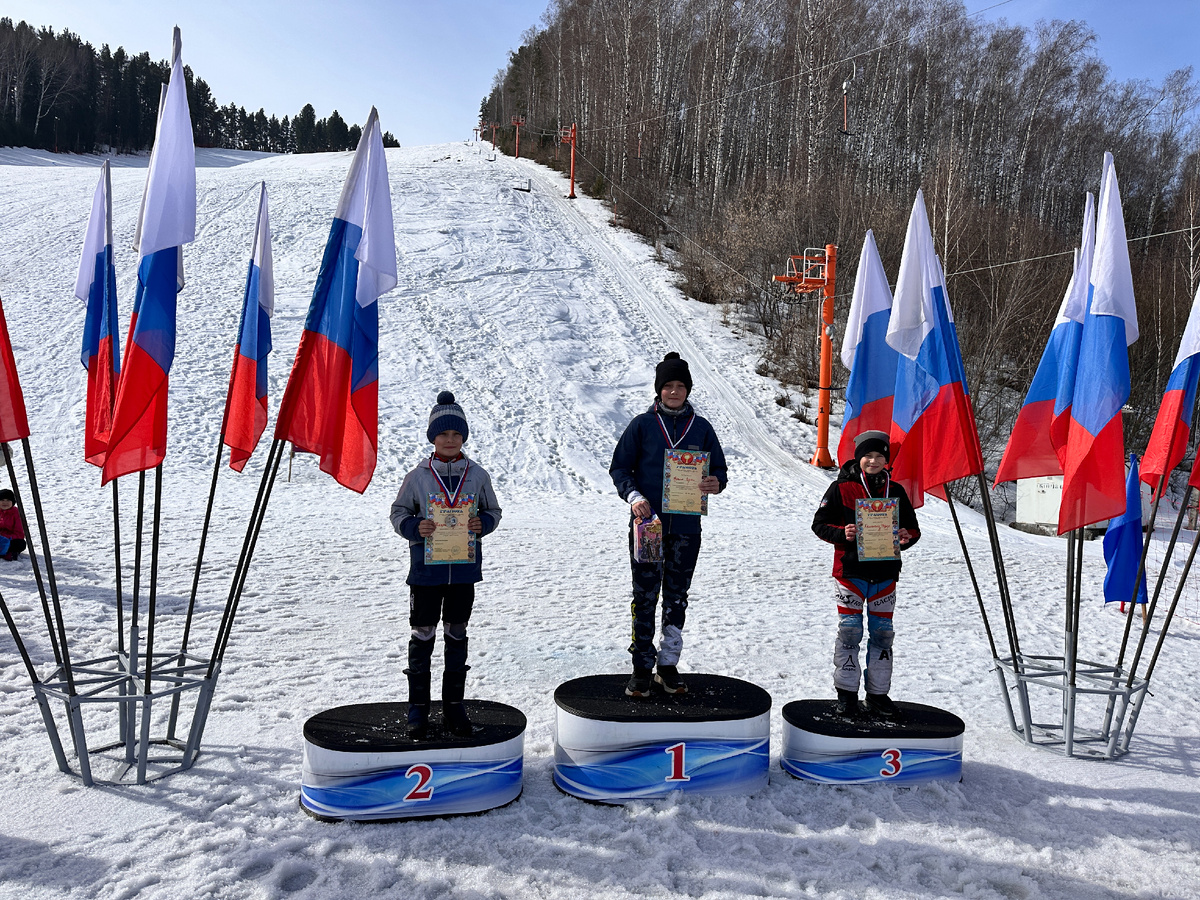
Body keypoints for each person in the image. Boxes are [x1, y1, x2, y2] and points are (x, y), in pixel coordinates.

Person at [610, 352, 728, 697]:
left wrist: (714, 483)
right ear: (659, 390)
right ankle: (641, 666)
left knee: (677, 596)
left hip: (687, 528)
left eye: (680, 386)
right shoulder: (642, 426)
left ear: (688, 390)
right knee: (645, 595)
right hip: (649, 525)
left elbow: (719, 471)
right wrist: (633, 497)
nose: (674, 392)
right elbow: (620, 468)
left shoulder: (702, 428)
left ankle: (668, 663)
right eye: (668, 386)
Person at [390, 392, 502, 739]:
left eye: (456, 434)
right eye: (443, 434)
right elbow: (398, 512)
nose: (450, 440)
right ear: (433, 438)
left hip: (463, 571)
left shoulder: (477, 475)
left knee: (457, 634)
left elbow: (493, 511)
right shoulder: (418, 475)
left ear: (464, 437)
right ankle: (418, 709)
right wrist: (414, 527)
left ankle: (454, 706)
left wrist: (483, 523)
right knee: (422, 635)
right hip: (426, 571)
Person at [812, 430, 920, 719]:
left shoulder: (895, 490)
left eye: (880, 456)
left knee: (883, 636)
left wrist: (907, 536)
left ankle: (877, 695)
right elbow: (819, 525)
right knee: (850, 632)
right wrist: (841, 533)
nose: (873, 461)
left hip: (885, 573)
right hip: (850, 572)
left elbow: (913, 528)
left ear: (887, 460)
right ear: (858, 458)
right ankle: (846, 695)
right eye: (868, 456)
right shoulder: (841, 488)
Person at [0, 489, 26, 562]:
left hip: (11, 539)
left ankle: (10, 553)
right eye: (2, 500)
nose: (5, 503)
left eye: (8, 500)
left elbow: (20, 534)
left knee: (21, 544)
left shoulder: (16, 513)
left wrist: (6, 537)